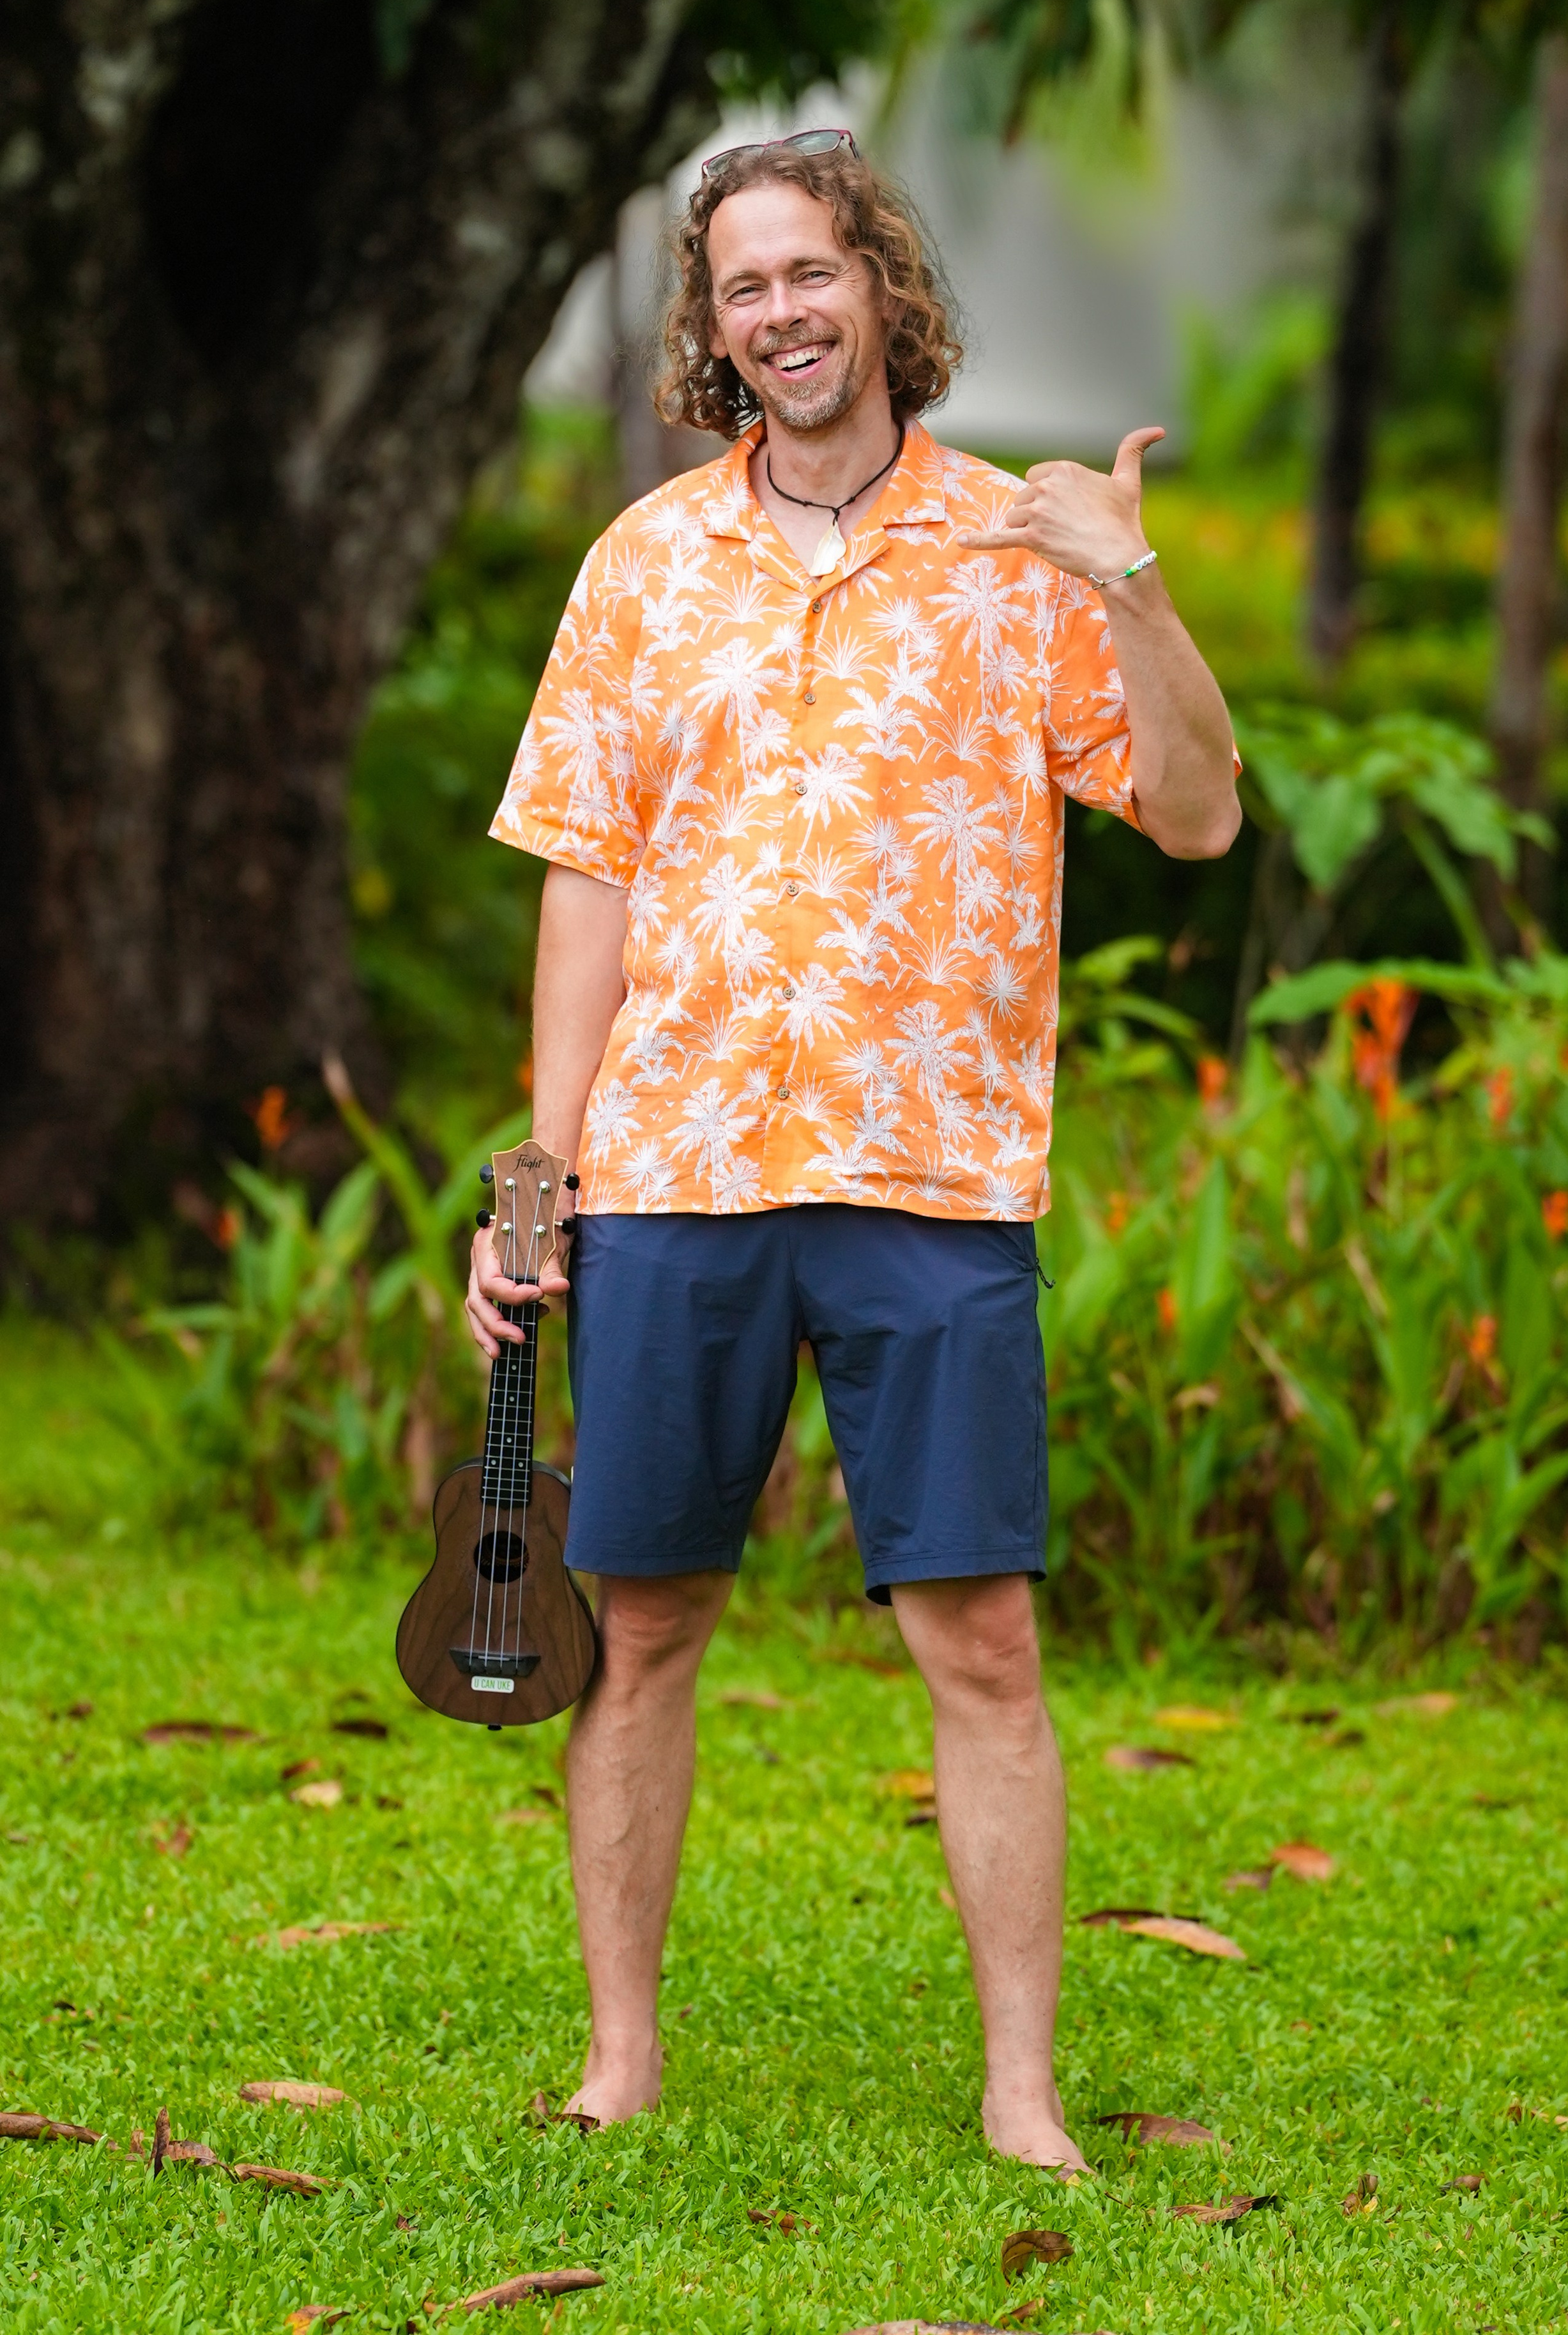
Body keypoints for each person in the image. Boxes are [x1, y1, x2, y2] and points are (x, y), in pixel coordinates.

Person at [466, 128, 1239, 2172]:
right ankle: (620, 2055)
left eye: (813, 271)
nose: (782, 311)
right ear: (711, 330)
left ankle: (1021, 2091)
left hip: (931, 1178)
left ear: (884, 285)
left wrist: (1133, 586)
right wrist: (538, 1184)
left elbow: (1196, 815)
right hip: (678, 1173)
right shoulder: (641, 569)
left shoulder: (1021, 546)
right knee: (639, 1623)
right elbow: (586, 890)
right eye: (744, 287)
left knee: (980, 1637)